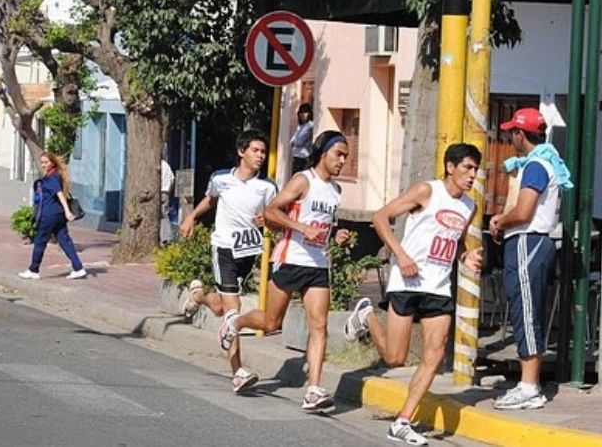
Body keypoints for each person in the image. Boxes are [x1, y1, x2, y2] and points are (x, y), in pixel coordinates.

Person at [342, 143, 484, 445]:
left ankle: (403, 421)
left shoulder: (469, 207)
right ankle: (367, 316)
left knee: (434, 354)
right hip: (407, 282)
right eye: (467, 168)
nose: (473, 175)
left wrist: (465, 257)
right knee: (395, 358)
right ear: (450, 167)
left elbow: (455, 241)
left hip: (439, 286)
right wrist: (401, 255)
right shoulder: (426, 191)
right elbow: (381, 218)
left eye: (475, 169)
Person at [224, 131, 351, 411]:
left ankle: (314, 390)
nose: (342, 161)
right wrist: (302, 228)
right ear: (323, 153)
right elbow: (271, 212)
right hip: (290, 258)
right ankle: (235, 323)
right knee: (271, 324)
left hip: (318, 263)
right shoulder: (303, 181)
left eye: (345, 156)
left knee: (319, 326)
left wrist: (335, 235)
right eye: (338, 154)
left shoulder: (336, 190)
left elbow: (324, 225)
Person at [178, 129, 277, 394]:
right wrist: (191, 218)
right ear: (241, 151)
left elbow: (274, 215)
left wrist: (265, 219)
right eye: (255, 150)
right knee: (233, 311)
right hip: (223, 247)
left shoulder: (267, 186)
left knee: (221, 308)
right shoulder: (221, 178)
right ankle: (238, 373)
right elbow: (209, 200)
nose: (260, 156)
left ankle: (198, 295)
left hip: (249, 251)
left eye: (263, 152)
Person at [489, 108, 571, 411]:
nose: (510, 136)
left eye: (512, 131)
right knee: (527, 309)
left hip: (528, 242)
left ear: (520, 134)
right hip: (530, 242)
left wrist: (500, 221)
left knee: (526, 311)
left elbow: (523, 213)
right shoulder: (542, 162)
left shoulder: (536, 165)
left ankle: (528, 386)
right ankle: (528, 383)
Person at [18, 152, 87, 280]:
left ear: (52, 163)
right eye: (42, 162)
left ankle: (33, 270)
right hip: (58, 215)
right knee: (64, 240)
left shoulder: (51, 178)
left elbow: (60, 194)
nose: (44, 165)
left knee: (40, 241)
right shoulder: (54, 175)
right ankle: (78, 268)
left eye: (46, 162)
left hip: (49, 215)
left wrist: (67, 211)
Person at [290, 103, 314, 174]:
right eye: (301, 112)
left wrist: (295, 142)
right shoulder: (300, 126)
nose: (303, 114)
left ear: (309, 113)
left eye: (305, 112)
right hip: (296, 157)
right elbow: (291, 141)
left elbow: (298, 141)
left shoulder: (310, 126)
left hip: (304, 158)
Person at [160, 157, 175, 245]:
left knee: (161, 215)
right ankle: (165, 236)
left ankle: (166, 237)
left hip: (159, 191)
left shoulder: (159, 165)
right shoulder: (167, 165)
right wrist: (169, 191)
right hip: (166, 192)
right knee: (164, 214)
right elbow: (172, 180)